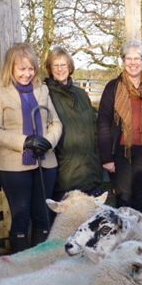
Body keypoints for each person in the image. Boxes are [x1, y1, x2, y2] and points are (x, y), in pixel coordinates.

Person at [0, 43, 62, 252]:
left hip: (45, 162)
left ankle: (39, 263)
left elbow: (56, 123)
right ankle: (19, 265)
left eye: (31, 69)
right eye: (22, 69)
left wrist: (48, 141)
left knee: (43, 215)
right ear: (11, 67)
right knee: (20, 215)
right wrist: (25, 142)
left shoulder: (42, 90)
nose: (27, 74)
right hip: (14, 165)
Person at [97, 39, 142, 216]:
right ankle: (123, 239)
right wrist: (106, 158)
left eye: (137, 58)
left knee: (141, 198)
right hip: (120, 152)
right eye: (129, 58)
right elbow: (103, 122)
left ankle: (138, 239)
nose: (133, 63)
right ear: (123, 60)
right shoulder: (113, 87)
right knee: (123, 198)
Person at [43, 47, 102, 200]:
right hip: (65, 171)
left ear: (70, 67)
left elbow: (93, 127)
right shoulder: (45, 93)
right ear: (49, 68)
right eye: (55, 65)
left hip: (90, 168)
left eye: (63, 65)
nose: (60, 69)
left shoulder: (81, 94)